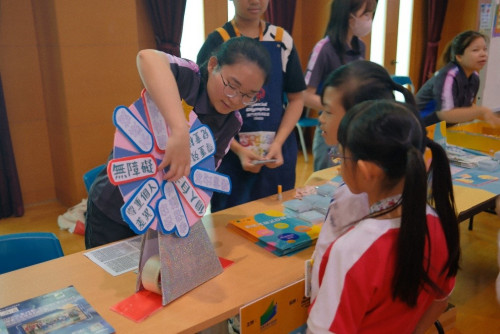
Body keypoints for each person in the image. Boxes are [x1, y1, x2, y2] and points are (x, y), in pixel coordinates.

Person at [85, 37, 271, 249]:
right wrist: (180, 130)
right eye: (231, 85)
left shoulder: (232, 122)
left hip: (160, 218)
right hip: (114, 208)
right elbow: (147, 58)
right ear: (212, 65)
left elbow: (202, 178)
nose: (235, 99)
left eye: (248, 95)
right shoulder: (188, 78)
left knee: (150, 279)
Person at [307, 100, 460, 333]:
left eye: (341, 155)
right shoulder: (439, 223)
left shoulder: (350, 251)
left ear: (368, 171)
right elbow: (441, 298)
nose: (338, 163)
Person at [196, 0, 306, 212]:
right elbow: (202, 105)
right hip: (228, 156)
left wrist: (278, 142)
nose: (255, 1)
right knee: (230, 223)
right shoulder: (218, 40)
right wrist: (235, 148)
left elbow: (296, 99)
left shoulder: (283, 40)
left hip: (276, 154)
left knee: (278, 218)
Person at [304, 0, 377, 171]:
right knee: (327, 184)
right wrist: (338, 108)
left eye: (370, 14)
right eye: (364, 14)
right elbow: (305, 95)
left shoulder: (361, 46)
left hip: (354, 129)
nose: (369, 19)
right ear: (348, 16)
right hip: (330, 131)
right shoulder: (324, 48)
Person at [416, 30, 500, 127]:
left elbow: (465, 107)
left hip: (441, 130)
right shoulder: (448, 76)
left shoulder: (474, 77)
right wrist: (481, 111)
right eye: (475, 50)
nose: (483, 54)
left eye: (485, 49)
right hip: (418, 128)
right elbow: (446, 114)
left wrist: (490, 117)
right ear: (459, 57)